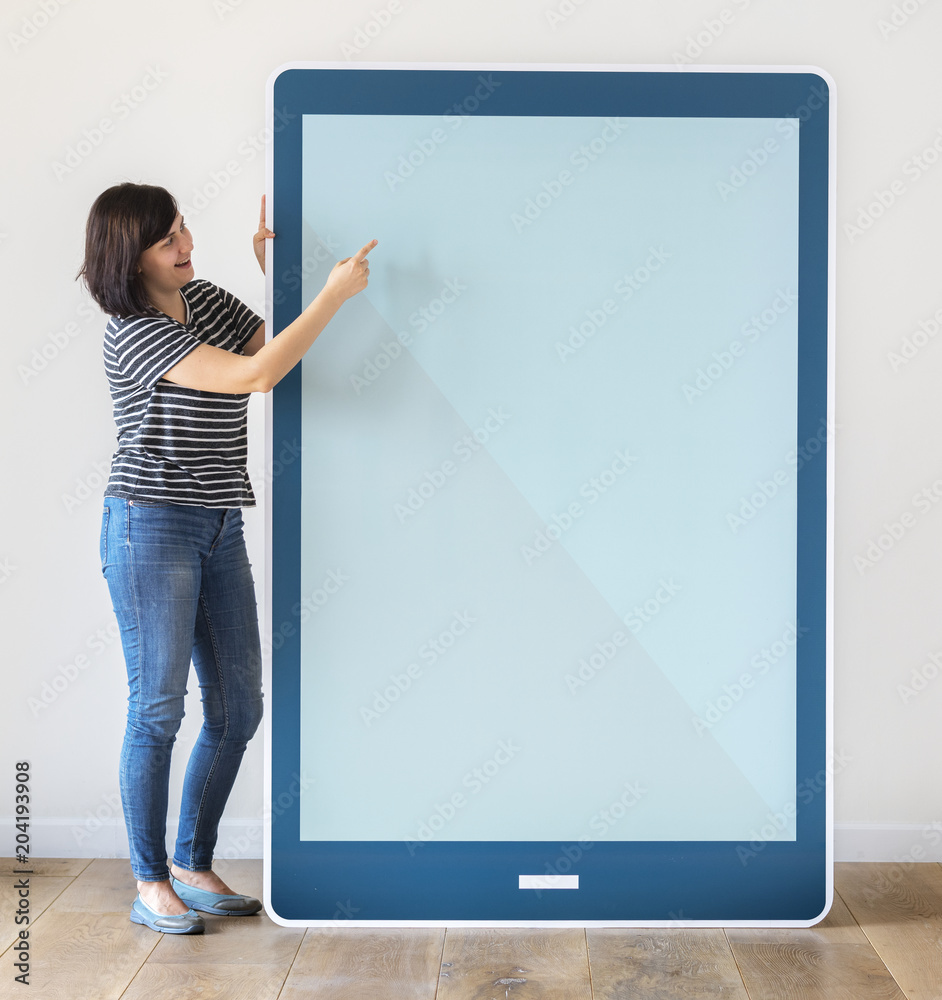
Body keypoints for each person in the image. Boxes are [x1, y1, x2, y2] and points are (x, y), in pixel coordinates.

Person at [80, 182, 375, 934]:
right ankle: (150, 883)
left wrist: (273, 272)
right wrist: (334, 295)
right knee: (157, 711)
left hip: (217, 525)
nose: (186, 245)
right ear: (129, 256)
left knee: (239, 708)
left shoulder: (203, 299)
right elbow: (257, 375)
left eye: (184, 230)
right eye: (167, 240)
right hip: (149, 528)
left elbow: (275, 344)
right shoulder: (133, 332)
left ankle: (190, 861)